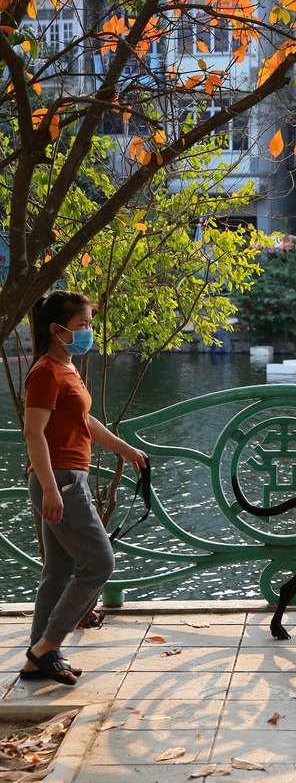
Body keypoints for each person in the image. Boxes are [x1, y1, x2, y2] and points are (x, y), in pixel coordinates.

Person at [21, 290, 147, 685]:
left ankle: (36, 660)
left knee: (57, 571)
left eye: (90, 324)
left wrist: (124, 449)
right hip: (57, 478)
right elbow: (33, 433)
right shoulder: (45, 371)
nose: (89, 331)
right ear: (57, 330)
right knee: (99, 563)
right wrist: (51, 490)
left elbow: (84, 421)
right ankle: (46, 647)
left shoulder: (67, 368)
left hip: (67, 476)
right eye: (82, 326)